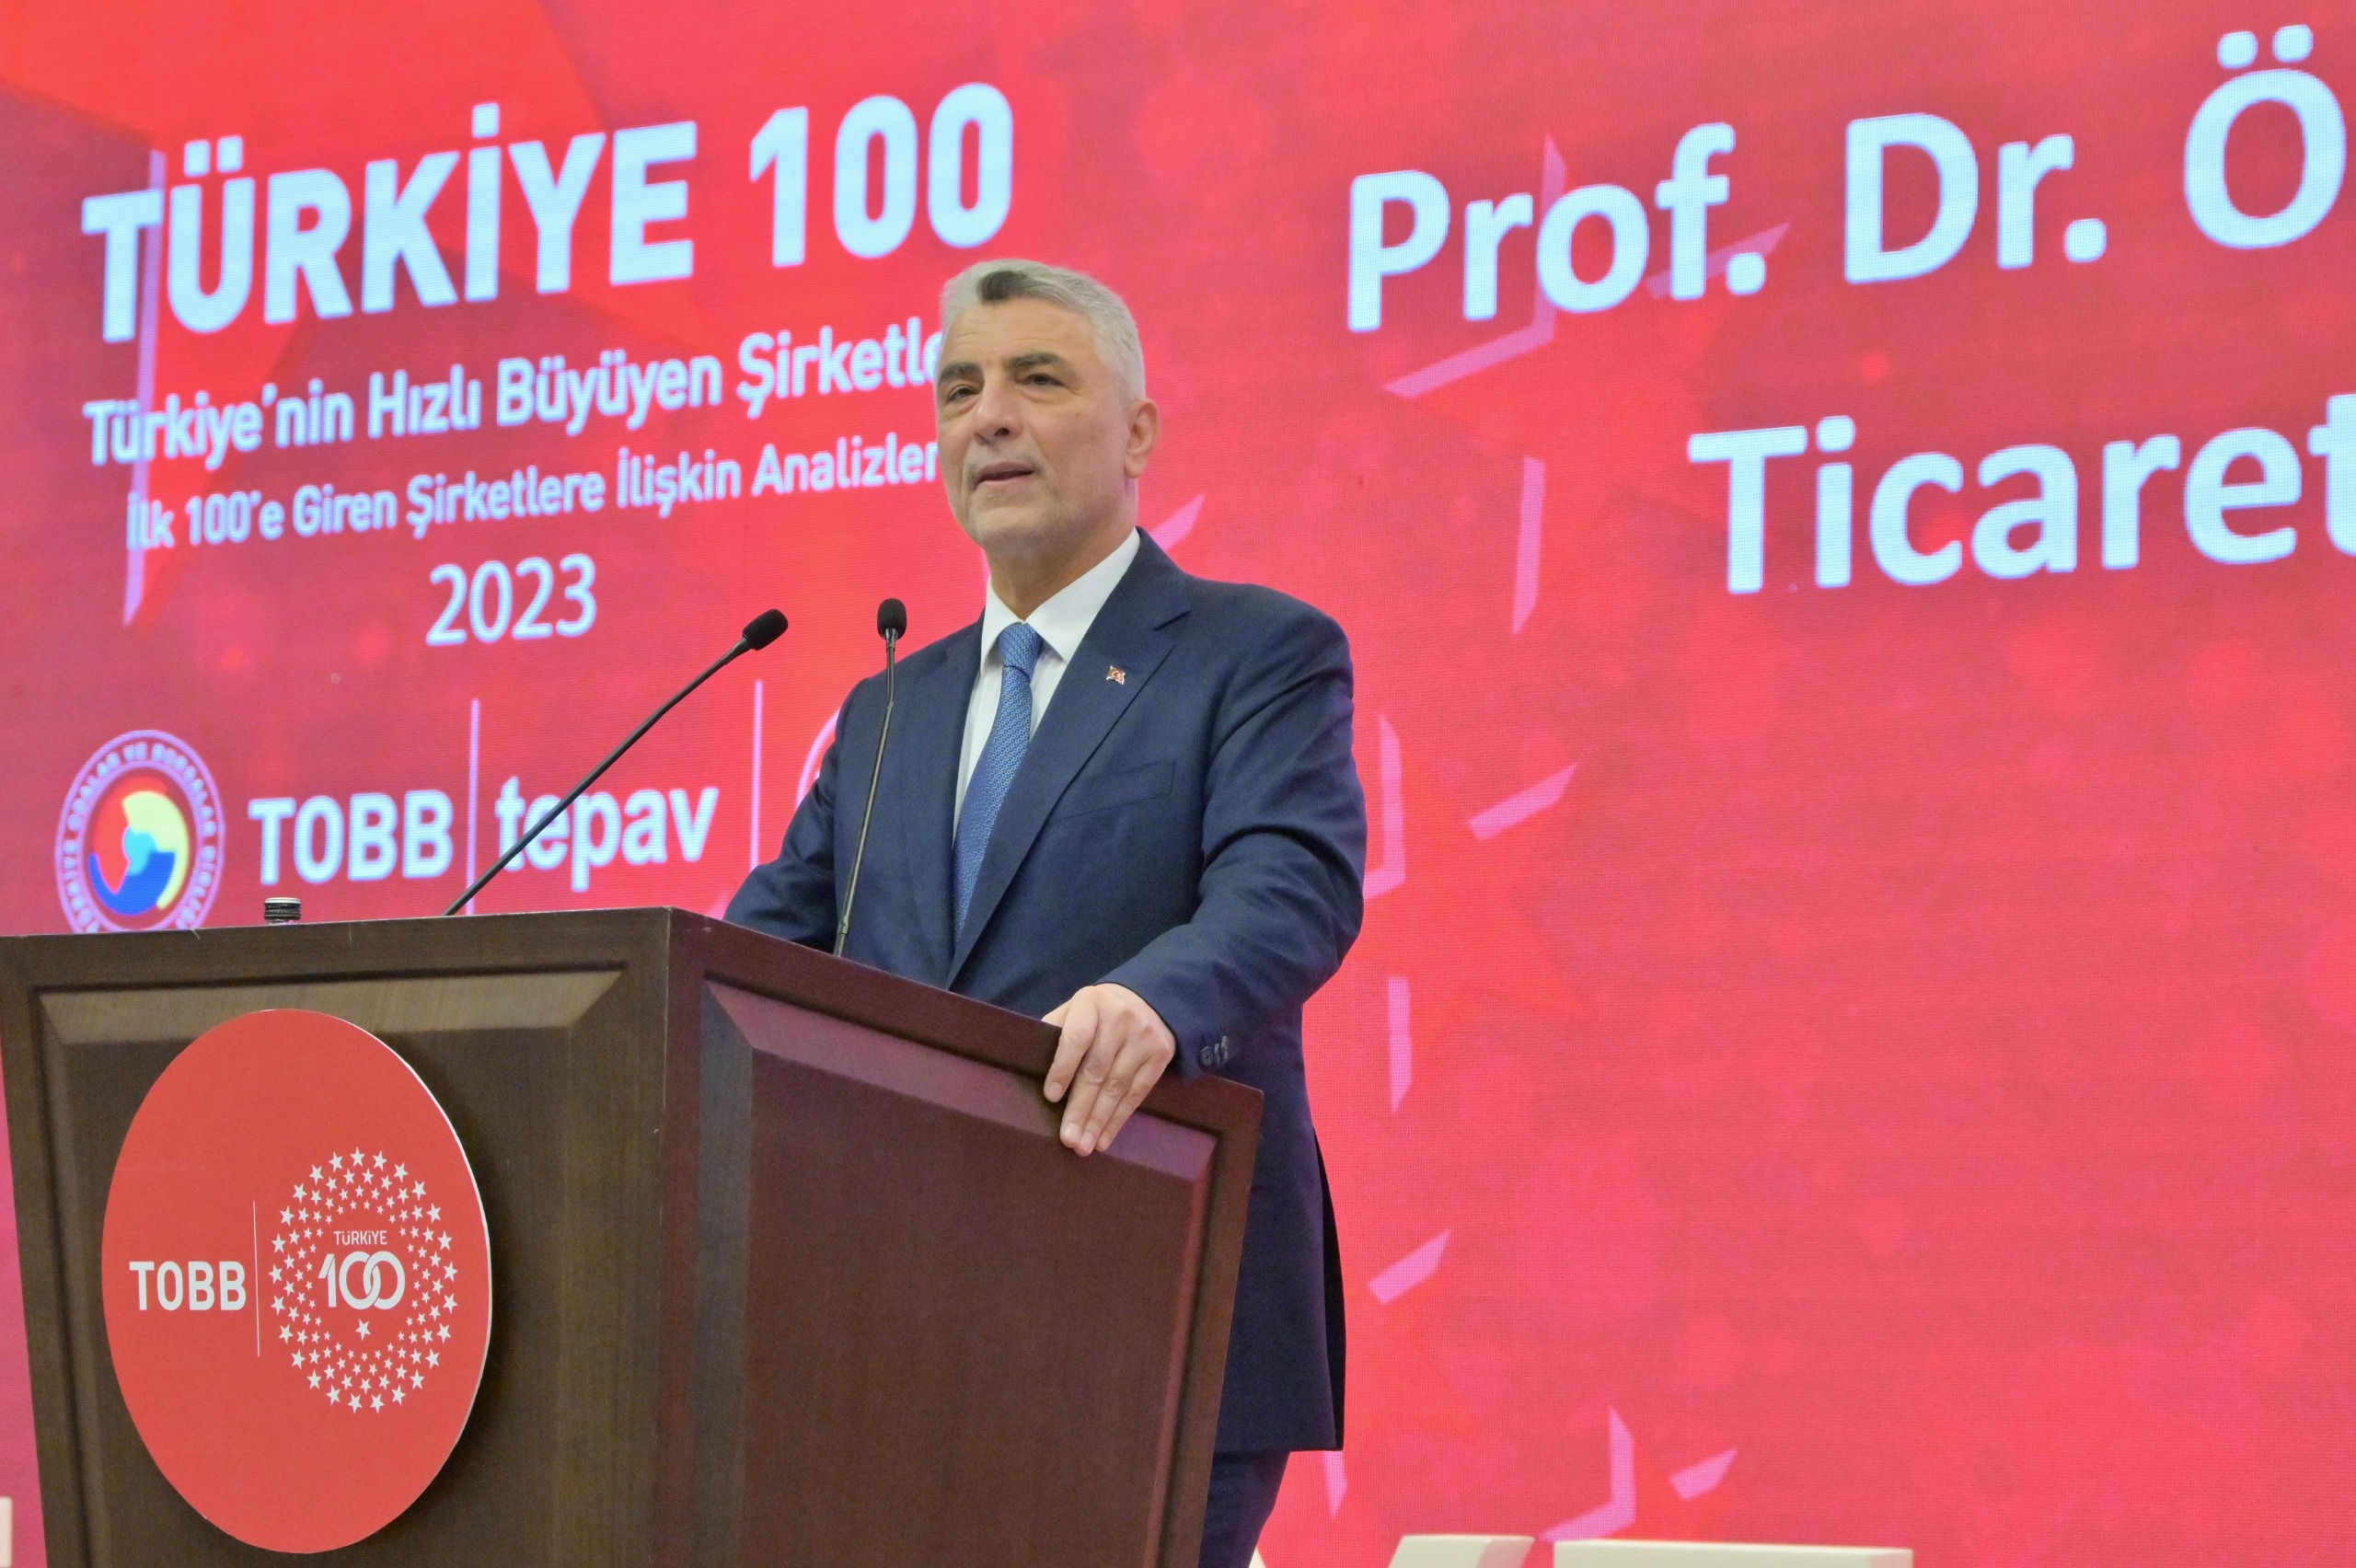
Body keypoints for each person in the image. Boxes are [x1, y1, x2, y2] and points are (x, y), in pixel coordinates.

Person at [727, 257, 1364, 1568]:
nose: (991, 417)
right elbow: (752, 963)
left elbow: (1290, 881)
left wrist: (1154, 1000)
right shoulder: (888, 708)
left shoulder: (1255, 652)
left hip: (1155, 1301)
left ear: (1138, 433)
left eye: (1037, 379)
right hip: (895, 1332)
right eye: (958, 390)